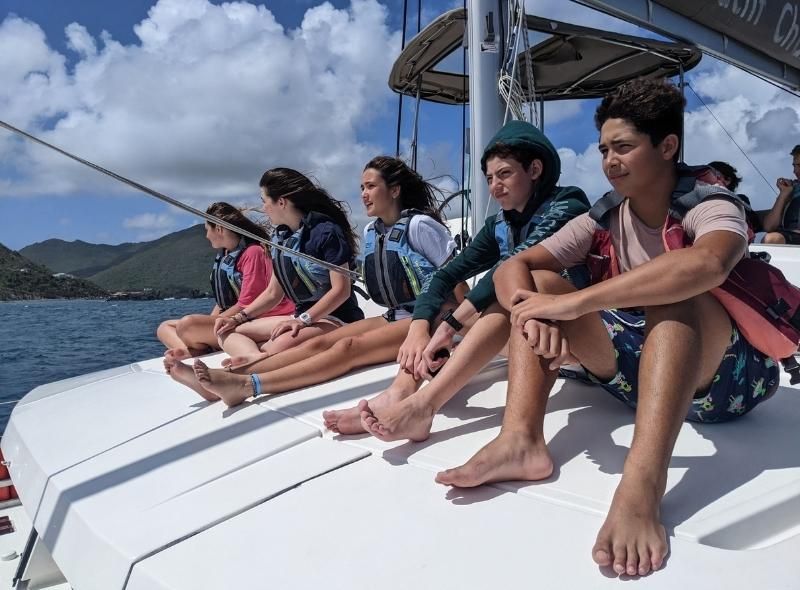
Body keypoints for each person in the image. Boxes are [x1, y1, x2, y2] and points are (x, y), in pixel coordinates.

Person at [433, 78, 780, 577]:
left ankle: (641, 487)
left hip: (723, 382)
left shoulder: (711, 203)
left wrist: (578, 303)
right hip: (639, 372)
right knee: (542, 283)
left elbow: (707, 265)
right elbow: (517, 265)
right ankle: (521, 441)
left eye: (624, 147)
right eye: (603, 150)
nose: (609, 160)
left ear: (667, 146)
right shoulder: (604, 216)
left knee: (674, 288)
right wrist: (535, 313)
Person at [335, 119, 590, 437]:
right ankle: (400, 393)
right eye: (489, 178)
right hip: (533, 342)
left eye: (505, 174)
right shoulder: (500, 223)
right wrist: (420, 326)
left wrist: (450, 326)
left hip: (581, 345)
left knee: (520, 286)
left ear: (535, 169)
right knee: (441, 312)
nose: (494, 186)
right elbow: (446, 275)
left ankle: (424, 405)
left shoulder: (568, 205)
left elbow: (508, 267)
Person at [168, 157, 459, 406]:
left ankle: (248, 385)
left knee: (346, 348)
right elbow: (273, 292)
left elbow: (458, 285)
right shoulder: (374, 231)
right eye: (362, 187)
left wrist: (454, 329)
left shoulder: (420, 226)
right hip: (395, 315)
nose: (364, 194)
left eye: (370, 186)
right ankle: (231, 379)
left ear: (394, 190)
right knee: (320, 344)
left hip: (428, 318)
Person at [165, 168, 364, 400]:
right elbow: (272, 294)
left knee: (279, 346)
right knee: (224, 332)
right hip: (299, 320)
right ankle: (252, 358)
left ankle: (220, 384)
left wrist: (303, 320)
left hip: (336, 318)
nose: (262, 208)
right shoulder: (281, 239)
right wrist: (238, 318)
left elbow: (341, 291)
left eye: (264, 201)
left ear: (281, 202)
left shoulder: (325, 232)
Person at [156, 202, 294, 360]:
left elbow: (246, 304)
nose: (206, 235)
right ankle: (198, 350)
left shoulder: (253, 252)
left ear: (219, 229)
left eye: (207, 230)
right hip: (234, 318)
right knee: (164, 327)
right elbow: (222, 303)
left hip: (256, 318)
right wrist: (209, 321)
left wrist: (208, 325)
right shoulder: (226, 255)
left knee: (187, 325)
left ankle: (201, 347)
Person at [708, 160, 761, 235]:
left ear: (728, 180)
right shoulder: (694, 200)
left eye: (714, 175)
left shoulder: (740, 200)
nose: (708, 179)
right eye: (704, 176)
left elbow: (755, 225)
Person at [762, 145, 800, 244]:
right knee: (770, 239)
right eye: (794, 166)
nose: (795, 171)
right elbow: (769, 226)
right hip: (792, 237)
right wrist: (783, 195)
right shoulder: (792, 189)